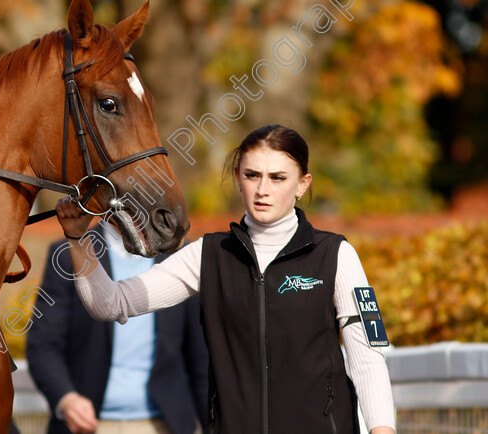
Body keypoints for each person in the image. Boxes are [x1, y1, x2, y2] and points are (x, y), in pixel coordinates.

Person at [55, 125, 397, 434]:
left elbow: (367, 360)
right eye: (252, 175)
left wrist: (383, 430)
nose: (263, 189)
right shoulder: (207, 256)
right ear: (238, 178)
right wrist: (77, 240)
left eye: (278, 178)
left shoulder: (336, 254)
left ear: (302, 184)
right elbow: (110, 303)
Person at [26, 223, 210, 434]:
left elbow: (200, 360)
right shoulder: (69, 256)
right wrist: (66, 398)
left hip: (164, 424)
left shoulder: (181, 258)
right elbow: (43, 345)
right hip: (90, 425)